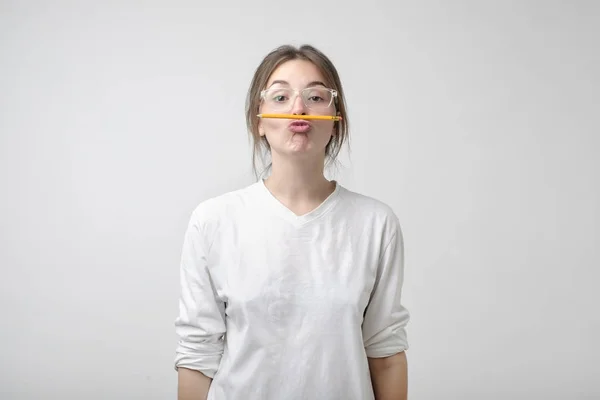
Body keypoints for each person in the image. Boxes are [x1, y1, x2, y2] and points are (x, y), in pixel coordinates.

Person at [174, 44, 410, 400]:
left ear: (335, 119)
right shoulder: (212, 221)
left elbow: (386, 353)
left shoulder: (376, 224)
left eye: (316, 97)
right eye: (281, 96)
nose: (299, 108)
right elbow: (196, 355)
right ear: (259, 120)